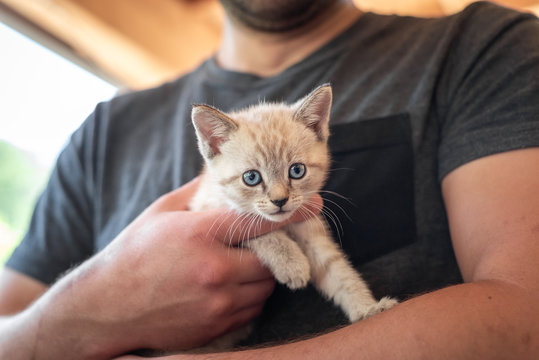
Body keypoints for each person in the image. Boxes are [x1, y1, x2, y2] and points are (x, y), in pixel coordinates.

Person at [1, 0, 539, 358]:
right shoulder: (103, 131)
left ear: (319, 128)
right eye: (257, 180)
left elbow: (527, 317)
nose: (281, 196)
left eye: (296, 174)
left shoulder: (484, 48)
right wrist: (88, 306)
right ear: (212, 147)